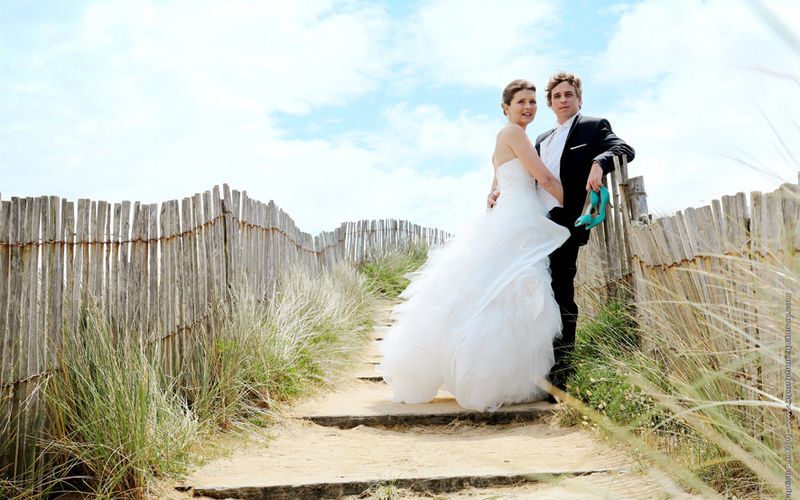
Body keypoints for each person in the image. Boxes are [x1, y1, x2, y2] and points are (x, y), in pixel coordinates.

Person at [377, 80, 570, 412]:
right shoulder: (513, 134)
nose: (528, 107)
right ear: (506, 108)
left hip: (515, 215)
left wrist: (497, 194)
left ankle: (505, 376)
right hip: (518, 221)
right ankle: (491, 377)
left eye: (533, 102)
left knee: (503, 294)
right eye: (521, 101)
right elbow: (544, 178)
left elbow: (497, 185)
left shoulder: (508, 138)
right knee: (508, 295)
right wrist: (572, 207)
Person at [489, 71, 635, 402]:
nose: (563, 100)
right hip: (533, 226)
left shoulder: (593, 127)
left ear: (579, 99)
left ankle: (562, 377)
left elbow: (623, 148)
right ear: (550, 103)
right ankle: (532, 372)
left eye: (569, 94)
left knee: (562, 297)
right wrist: (497, 191)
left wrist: (599, 163)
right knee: (534, 299)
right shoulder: (539, 138)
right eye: (556, 96)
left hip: (565, 227)